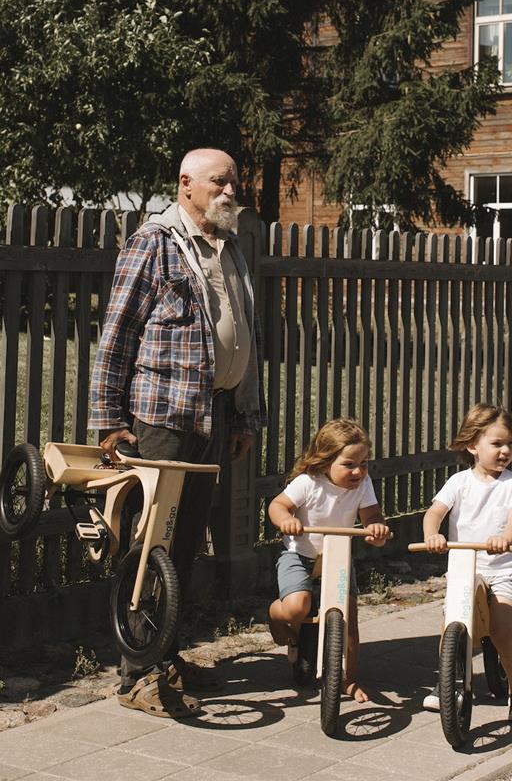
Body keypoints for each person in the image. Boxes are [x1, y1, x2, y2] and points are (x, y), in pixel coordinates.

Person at [89, 147, 264, 718]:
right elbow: (117, 334)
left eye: (235, 183)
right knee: (149, 542)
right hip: (162, 418)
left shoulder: (229, 246)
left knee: (185, 544)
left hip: (213, 416)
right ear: (185, 184)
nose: (230, 191)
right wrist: (109, 421)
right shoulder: (154, 241)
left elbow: (240, 340)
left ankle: (165, 652)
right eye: (220, 183)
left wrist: (242, 415)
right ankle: (138, 673)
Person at [421, 403, 512, 724]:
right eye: (496, 443)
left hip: (501, 571)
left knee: (502, 631)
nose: (505, 451)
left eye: (510, 443)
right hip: (464, 569)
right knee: (451, 626)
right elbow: (435, 513)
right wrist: (433, 534)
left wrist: (506, 538)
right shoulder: (459, 482)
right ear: (473, 446)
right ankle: (447, 681)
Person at [267, 418, 390, 703]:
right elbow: (278, 505)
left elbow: (371, 515)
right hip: (300, 554)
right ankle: (275, 614)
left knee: (349, 619)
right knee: (297, 608)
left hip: (338, 556)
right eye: (349, 464)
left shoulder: (363, 484)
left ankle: (348, 679)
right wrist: (286, 519)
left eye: (364, 463)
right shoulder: (308, 483)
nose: (359, 471)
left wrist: (376, 528)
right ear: (324, 462)